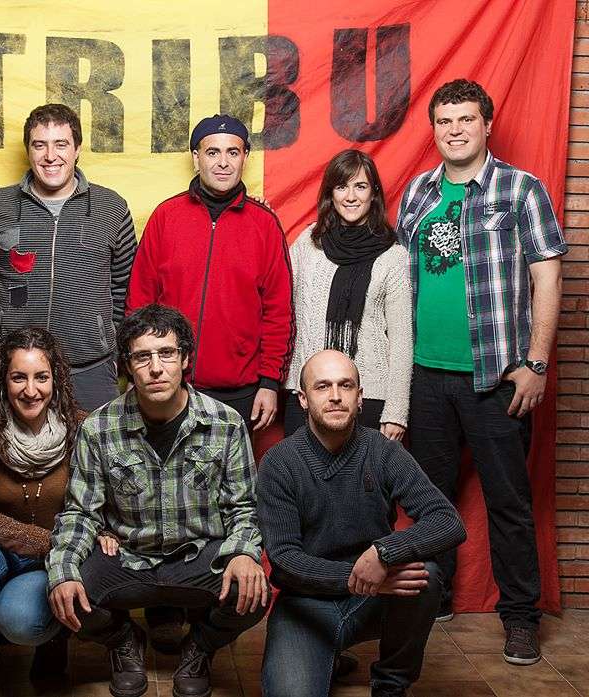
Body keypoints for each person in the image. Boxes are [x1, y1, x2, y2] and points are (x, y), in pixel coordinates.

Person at [397, 79, 567, 664]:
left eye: (466, 119)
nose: (455, 130)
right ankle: (436, 596)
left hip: (497, 377)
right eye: (444, 121)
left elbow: (548, 278)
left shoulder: (521, 189)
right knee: (431, 498)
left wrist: (536, 363)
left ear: (487, 124)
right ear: (434, 129)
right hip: (425, 376)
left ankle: (520, 617)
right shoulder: (418, 193)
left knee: (509, 502)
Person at [47, 304, 268, 697]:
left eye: (166, 353)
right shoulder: (99, 427)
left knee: (252, 590)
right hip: (129, 558)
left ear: (185, 359)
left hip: (200, 557)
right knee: (65, 590)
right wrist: (63, 570)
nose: (155, 368)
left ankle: (199, 647)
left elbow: (244, 509)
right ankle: (122, 640)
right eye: (142, 357)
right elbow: (80, 513)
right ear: (127, 366)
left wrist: (243, 553)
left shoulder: (225, 423)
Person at [258, 350, 466, 697]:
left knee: (425, 575)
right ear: (303, 399)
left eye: (346, 386)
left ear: (360, 397)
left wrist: (384, 552)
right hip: (306, 605)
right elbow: (284, 560)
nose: (335, 396)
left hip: (372, 600)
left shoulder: (383, 451)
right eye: (322, 386)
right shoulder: (280, 462)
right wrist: (358, 577)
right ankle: (324, 653)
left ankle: (391, 684)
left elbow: (447, 521)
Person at [0, 103, 137, 411]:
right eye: (39, 145)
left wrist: (112, 349)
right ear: (28, 150)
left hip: (91, 370)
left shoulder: (111, 208)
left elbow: (126, 286)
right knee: (8, 443)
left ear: (77, 149)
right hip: (14, 370)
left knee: (94, 444)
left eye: (61, 144)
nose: (50, 156)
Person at [126, 114, 294, 431]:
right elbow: (139, 302)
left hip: (240, 391)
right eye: (212, 152)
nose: (223, 163)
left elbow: (278, 311)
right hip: (168, 382)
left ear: (245, 157)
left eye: (233, 152)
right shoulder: (166, 216)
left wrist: (270, 382)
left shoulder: (265, 225)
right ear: (196, 158)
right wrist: (140, 369)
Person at [0, 327, 84, 696]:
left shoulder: (81, 428)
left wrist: (61, 550)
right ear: (2, 381)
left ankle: (53, 639)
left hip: (52, 564)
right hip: (1, 554)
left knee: (18, 620)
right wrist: (51, 540)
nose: (31, 390)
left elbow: (95, 510)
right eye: (18, 377)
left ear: (56, 380)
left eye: (41, 377)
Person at [283, 149, 411, 440]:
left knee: (363, 471)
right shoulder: (308, 243)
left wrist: (396, 411)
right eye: (342, 187)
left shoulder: (393, 257)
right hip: (308, 392)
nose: (351, 196)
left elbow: (402, 341)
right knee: (301, 469)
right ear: (331, 193)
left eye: (360, 186)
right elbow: (276, 297)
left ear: (373, 193)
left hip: (368, 395)